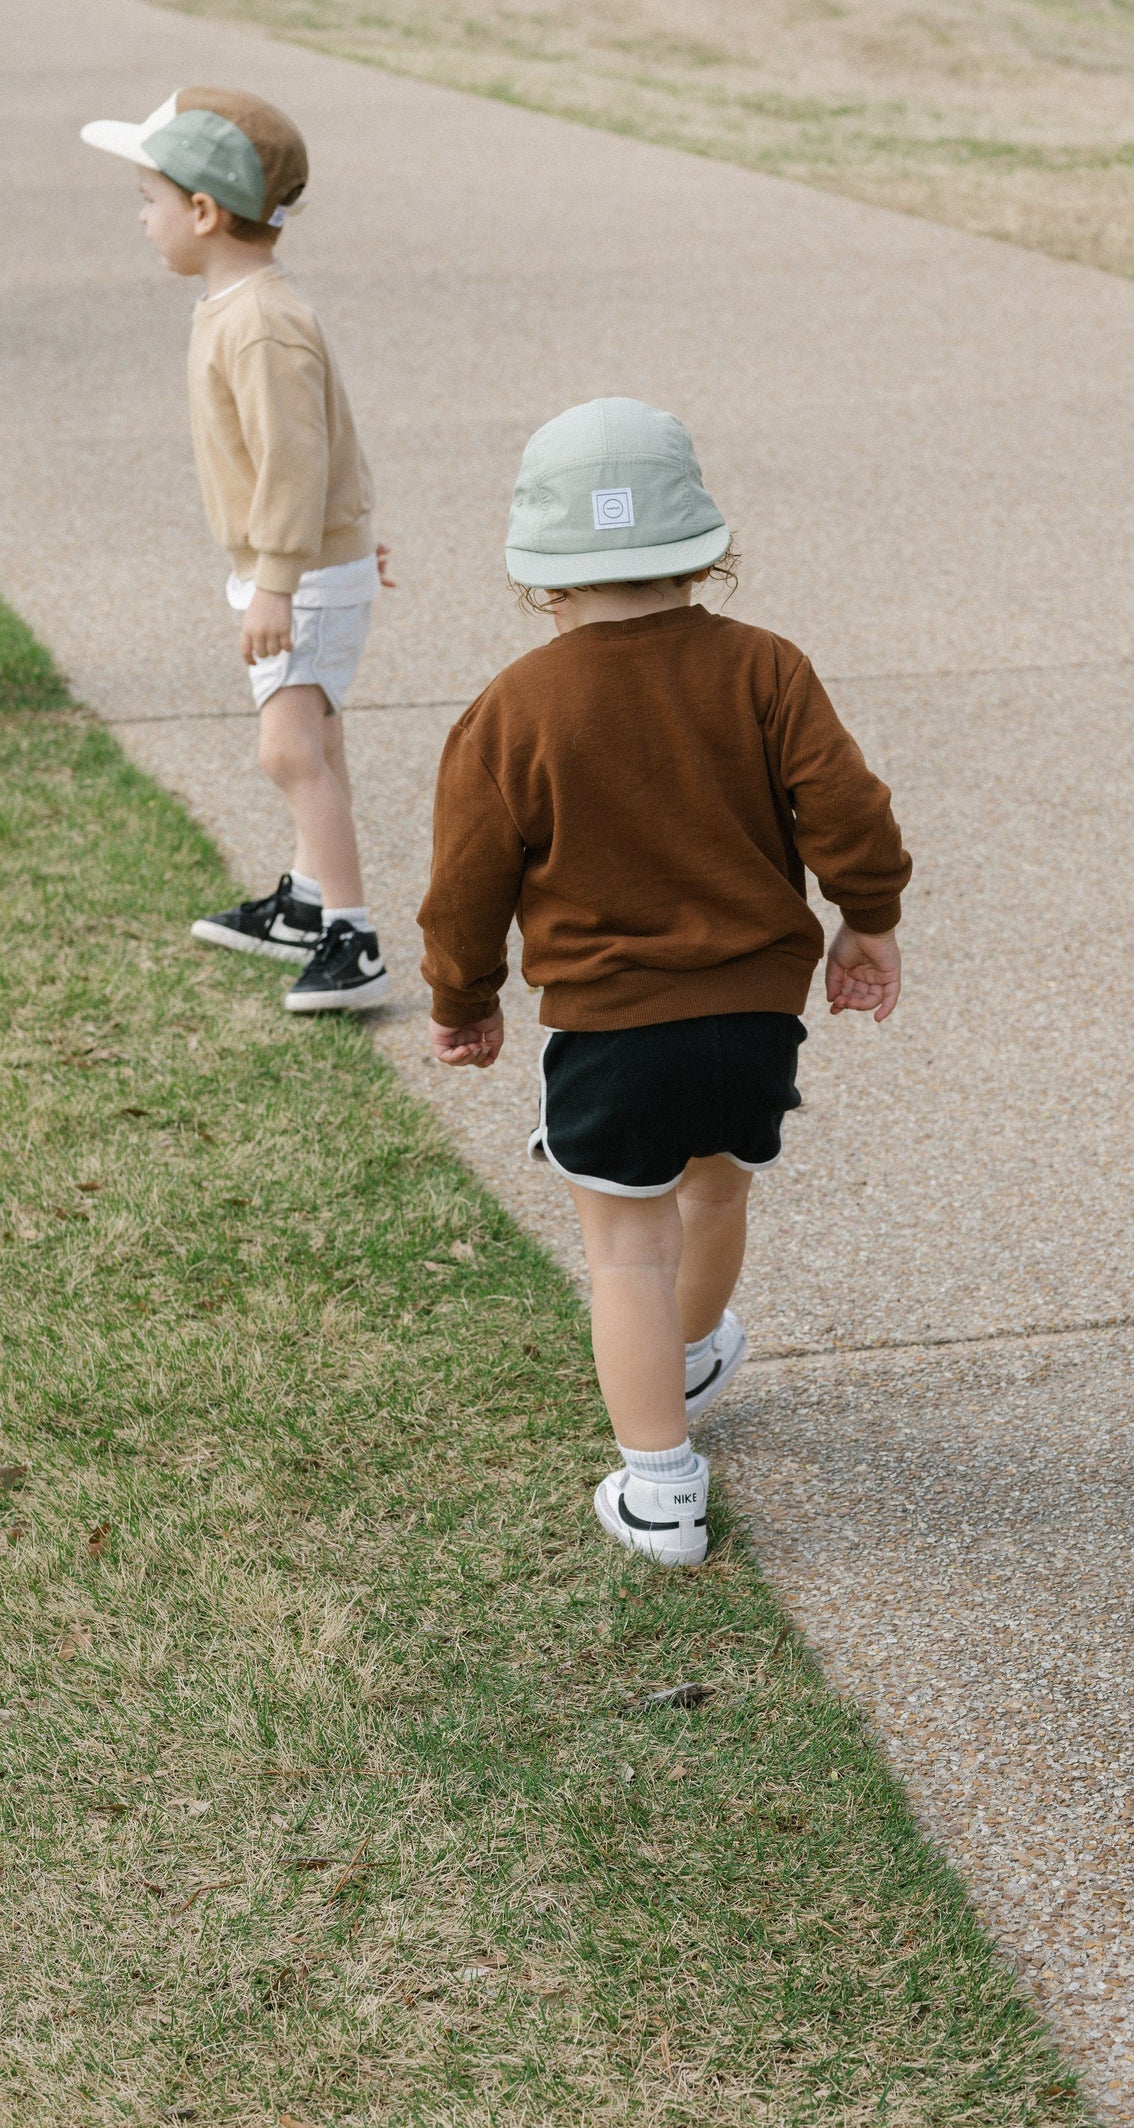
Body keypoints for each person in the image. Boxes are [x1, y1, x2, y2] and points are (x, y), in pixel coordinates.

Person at [419, 398, 910, 1567]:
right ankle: (690, 1354)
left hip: (612, 1025)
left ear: (542, 577)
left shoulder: (511, 711)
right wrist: (867, 922)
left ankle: (658, 1486)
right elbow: (849, 813)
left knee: (623, 1249)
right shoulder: (765, 668)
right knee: (716, 1190)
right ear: (701, 548)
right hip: (752, 1016)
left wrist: (462, 996)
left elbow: (464, 883)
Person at [80, 88, 392, 1012]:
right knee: (317, 742)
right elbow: (325, 441)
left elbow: (297, 459)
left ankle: (353, 938)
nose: (143, 219)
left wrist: (278, 583)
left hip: (295, 574)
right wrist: (349, 538)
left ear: (205, 213)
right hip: (309, 565)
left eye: (149, 200)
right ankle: (303, 906)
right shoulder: (240, 305)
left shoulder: (258, 322)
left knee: (290, 751)